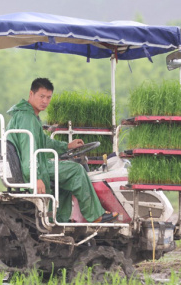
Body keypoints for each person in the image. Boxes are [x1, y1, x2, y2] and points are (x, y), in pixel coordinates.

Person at [7, 78, 118, 224]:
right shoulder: (27, 118)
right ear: (31, 94)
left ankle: (59, 219)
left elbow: (44, 142)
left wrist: (67, 146)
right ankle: (95, 215)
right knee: (76, 170)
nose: (45, 101)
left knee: (66, 179)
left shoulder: (27, 116)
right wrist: (36, 176)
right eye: (41, 96)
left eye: (48, 97)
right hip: (31, 168)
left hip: (31, 165)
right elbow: (28, 149)